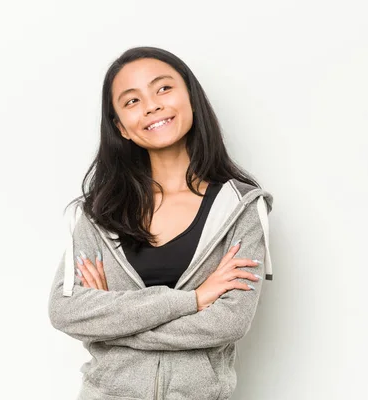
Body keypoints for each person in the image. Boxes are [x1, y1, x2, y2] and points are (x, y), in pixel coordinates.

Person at [47, 46, 274, 400]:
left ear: (192, 98)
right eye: (132, 101)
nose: (152, 105)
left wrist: (111, 320)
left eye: (163, 88)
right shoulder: (99, 212)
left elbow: (229, 321)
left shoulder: (241, 207)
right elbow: (65, 311)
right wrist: (194, 300)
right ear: (120, 127)